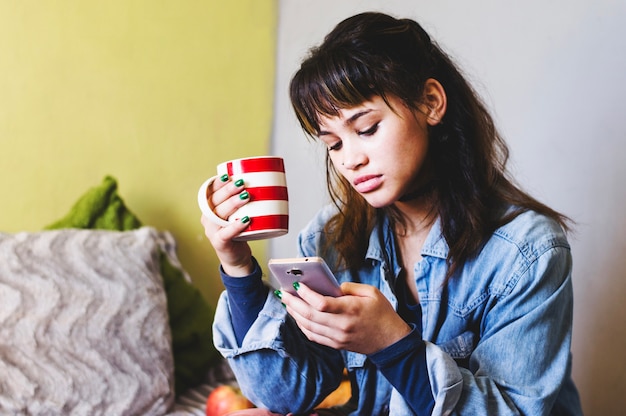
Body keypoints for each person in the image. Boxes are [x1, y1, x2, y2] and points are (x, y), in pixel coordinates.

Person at [200, 11, 583, 416]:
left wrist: (391, 344)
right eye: (333, 144)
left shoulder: (527, 253)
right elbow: (285, 396)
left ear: (431, 103)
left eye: (366, 129)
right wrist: (237, 265)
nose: (350, 160)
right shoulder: (332, 238)